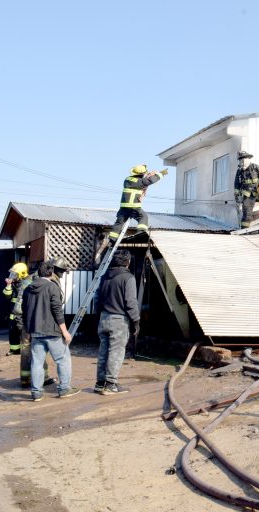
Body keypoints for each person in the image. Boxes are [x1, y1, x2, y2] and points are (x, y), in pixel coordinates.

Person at [22, 261, 78, 401]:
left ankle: (36, 393)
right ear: (51, 273)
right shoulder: (52, 287)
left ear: (39, 273)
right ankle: (64, 389)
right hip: (52, 332)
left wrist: (29, 330)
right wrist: (65, 331)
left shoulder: (28, 289)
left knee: (37, 362)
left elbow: (25, 310)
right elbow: (57, 311)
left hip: (35, 332)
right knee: (63, 360)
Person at [94, 164, 169, 263]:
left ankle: (112, 240)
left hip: (123, 208)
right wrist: (161, 174)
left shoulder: (128, 180)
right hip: (133, 206)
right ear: (141, 174)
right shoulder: (140, 182)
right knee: (143, 217)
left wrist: (147, 176)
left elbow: (142, 182)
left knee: (118, 224)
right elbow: (148, 181)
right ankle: (140, 234)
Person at [93, 250, 140, 395]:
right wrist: (136, 321)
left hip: (103, 318)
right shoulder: (128, 278)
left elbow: (96, 298)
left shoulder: (104, 277)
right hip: (119, 320)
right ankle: (111, 384)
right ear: (128, 262)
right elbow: (131, 302)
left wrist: (98, 315)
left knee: (103, 351)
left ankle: (100, 383)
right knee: (116, 352)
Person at [234, 150, 259, 228]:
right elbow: (236, 184)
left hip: (258, 192)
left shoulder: (255, 167)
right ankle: (244, 229)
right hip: (248, 195)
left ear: (248, 159)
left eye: (244, 159)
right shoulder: (239, 171)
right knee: (247, 213)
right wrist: (237, 194)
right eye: (240, 160)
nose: (242, 161)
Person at [3, 262, 32, 355]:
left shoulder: (28, 283)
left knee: (24, 332)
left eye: (15, 274)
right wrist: (8, 285)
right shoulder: (14, 283)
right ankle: (14, 349)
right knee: (13, 331)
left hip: (23, 312)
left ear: (22, 273)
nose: (13, 276)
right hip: (13, 312)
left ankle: (27, 351)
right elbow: (7, 295)